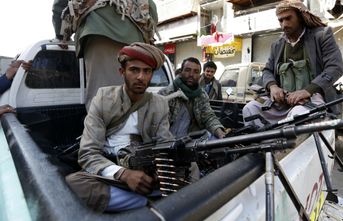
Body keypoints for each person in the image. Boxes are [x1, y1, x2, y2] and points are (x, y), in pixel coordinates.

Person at [65, 42, 173, 212]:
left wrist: (157, 174)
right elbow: (88, 153)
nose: (141, 77)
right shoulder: (103, 98)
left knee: (189, 170)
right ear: (122, 72)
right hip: (112, 170)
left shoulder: (159, 104)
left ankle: (142, 198)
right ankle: (146, 203)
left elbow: (165, 145)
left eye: (147, 71)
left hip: (145, 172)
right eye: (134, 70)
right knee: (74, 184)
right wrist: (124, 174)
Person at [242, 0, 343, 128]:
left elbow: (335, 68)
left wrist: (307, 91)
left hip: (311, 101)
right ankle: (263, 145)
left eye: (288, 18)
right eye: (281, 20)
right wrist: (273, 87)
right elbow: (267, 70)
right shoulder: (277, 44)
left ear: (300, 17)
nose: (284, 24)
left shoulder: (322, 35)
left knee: (298, 115)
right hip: (282, 103)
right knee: (250, 109)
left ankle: (288, 147)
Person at [52, 0, 159, 110]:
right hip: (136, 37)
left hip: (99, 28)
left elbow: (60, 4)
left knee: (103, 102)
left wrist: (61, 35)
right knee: (132, 102)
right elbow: (151, 7)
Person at [158, 57, 226, 139]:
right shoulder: (166, 94)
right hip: (167, 142)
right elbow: (159, 125)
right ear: (181, 72)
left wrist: (220, 133)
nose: (191, 75)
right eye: (187, 70)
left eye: (196, 72)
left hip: (191, 142)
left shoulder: (201, 95)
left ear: (199, 74)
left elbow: (208, 116)